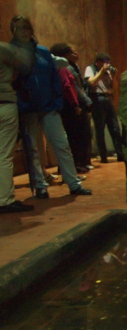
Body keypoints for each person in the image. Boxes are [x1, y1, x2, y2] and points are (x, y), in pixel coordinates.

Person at [10, 16, 91, 198]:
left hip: (48, 107)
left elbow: (56, 76)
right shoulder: (11, 52)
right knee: (33, 150)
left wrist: (56, 101)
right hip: (27, 109)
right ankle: (40, 185)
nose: (23, 32)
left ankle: (73, 183)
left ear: (31, 30)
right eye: (19, 29)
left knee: (62, 145)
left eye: (26, 28)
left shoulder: (42, 52)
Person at [0, 24, 34, 213]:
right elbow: (25, 64)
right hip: (4, 102)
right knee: (3, 155)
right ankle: (4, 200)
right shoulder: (3, 49)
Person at [50, 43, 93, 173]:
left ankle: (77, 164)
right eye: (72, 52)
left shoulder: (70, 66)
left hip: (68, 104)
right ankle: (73, 166)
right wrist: (78, 103)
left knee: (76, 136)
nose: (75, 54)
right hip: (70, 105)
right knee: (75, 136)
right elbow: (69, 87)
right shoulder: (64, 67)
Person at [85, 52, 124, 163]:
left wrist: (115, 76)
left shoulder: (108, 72)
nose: (107, 65)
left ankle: (120, 154)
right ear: (98, 62)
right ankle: (103, 156)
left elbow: (114, 88)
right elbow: (91, 82)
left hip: (108, 98)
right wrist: (102, 71)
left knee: (115, 127)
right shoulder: (90, 69)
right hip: (97, 98)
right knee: (100, 128)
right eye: (105, 63)